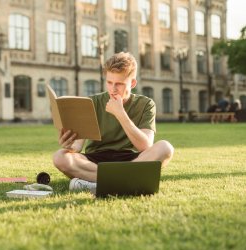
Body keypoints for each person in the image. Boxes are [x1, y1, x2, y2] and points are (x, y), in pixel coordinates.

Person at [52, 52, 174, 191]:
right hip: (95, 160)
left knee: (165, 148)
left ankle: (98, 183)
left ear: (132, 83)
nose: (113, 89)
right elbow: (77, 147)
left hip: (131, 160)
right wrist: (69, 144)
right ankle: (125, 181)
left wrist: (120, 114)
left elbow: (145, 146)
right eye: (109, 82)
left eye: (119, 84)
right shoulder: (92, 102)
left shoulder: (146, 104)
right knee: (60, 157)